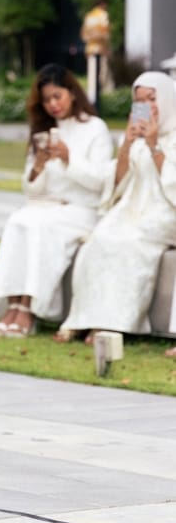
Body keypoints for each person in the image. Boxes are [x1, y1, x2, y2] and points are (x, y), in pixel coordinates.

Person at [0, 64, 113, 338]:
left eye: (57, 96)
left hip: (81, 209)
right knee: (18, 220)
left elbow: (101, 181)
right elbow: (30, 189)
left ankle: (29, 309)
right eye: (46, 100)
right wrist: (39, 165)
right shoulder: (44, 131)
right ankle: (13, 306)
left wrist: (69, 158)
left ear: (72, 92)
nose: (53, 105)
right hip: (43, 206)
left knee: (40, 226)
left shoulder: (95, 128)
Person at [59, 71, 176, 349]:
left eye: (152, 99)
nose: (147, 106)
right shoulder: (137, 136)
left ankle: (115, 324)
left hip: (165, 212)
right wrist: (127, 144)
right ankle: (86, 319)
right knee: (100, 239)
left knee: (129, 243)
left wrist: (154, 146)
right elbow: (119, 181)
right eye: (140, 101)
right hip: (131, 208)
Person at [80, 0, 112, 105]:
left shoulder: (89, 16)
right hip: (100, 49)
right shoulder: (103, 15)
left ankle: (92, 99)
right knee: (103, 75)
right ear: (103, 4)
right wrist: (107, 48)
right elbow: (105, 35)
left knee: (92, 76)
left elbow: (84, 35)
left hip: (90, 50)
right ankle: (104, 101)